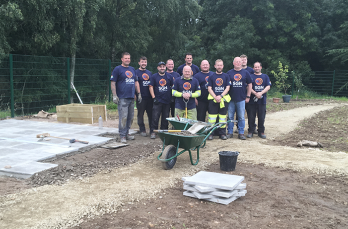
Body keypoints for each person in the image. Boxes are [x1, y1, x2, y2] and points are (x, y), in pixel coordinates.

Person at [110, 52, 141, 143]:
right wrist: (114, 95)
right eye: (126, 58)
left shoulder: (132, 69)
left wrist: (138, 93)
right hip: (122, 98)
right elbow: (113, 82)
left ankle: (127, 133)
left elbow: (136, 82)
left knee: (130, 117)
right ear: (122, 59)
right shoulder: (117, 69)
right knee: (123, 117)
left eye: (129, 58)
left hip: (131, 97)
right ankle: (122, 135)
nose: (127, 60)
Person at [226, 57, 252, 140]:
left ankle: (241, 133)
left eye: (239, 62)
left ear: (241, 63)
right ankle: (229, 132)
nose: (238, 63)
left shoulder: (246, 73)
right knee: (230, 117)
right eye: (236, 62)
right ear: (233, 63)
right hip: (230, 99)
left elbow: (250, 84)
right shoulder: (229, 73)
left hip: (241, 99)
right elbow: (226, 86)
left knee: (241, 117)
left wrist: (248, 96)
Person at [207, 59, 231, 140]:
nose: (219, 67)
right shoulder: (211, 76)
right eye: (218, 65)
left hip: (223, 100)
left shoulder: (226, 76)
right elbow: (209, 88)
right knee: (211, 118)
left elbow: (228, 87)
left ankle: (222, 134)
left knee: (222, 118)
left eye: (221, 65)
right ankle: (210, 133)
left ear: (223, 66)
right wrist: (215, 97)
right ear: (215, 66)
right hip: (213, 100)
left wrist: (220, 96)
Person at [149, 61, 174, 139]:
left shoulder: (169, 76)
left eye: (163, 66)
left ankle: (164, 132)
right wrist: (153, 97)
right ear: (158, 68)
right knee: (155, 117)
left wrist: (172, 96)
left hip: (167, 101)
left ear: (165, 67)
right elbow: (151, 87)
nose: (162, 68)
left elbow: (173, 86)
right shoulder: (154, 76)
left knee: (165, 117)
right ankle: (153, 132)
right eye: (160, 66)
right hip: (158, 100)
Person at [246, 62, 271, 139]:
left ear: (261, 67)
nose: (257, 68)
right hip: (251, 101)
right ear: (253, 68)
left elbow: (268, 86)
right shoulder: (250, 76)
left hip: (262, 101)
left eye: (258, 67)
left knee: (261, 117)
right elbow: (247, 86)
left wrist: (261, 93)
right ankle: (251, 131)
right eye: (255, 67)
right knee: (251, 116)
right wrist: (255, 93)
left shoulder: (265, 76)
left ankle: (261, 131)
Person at [135, 56, 152, 137]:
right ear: (139, 63)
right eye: (142, 62)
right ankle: (142, 129)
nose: (144, 63)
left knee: (151, 115)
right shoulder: (136, 72)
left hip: (149, 98)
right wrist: (135, 95)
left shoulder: (149, 73)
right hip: (140, 97)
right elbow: (134, 85)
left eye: (145, 62)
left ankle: (152, 130)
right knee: (140, 114)